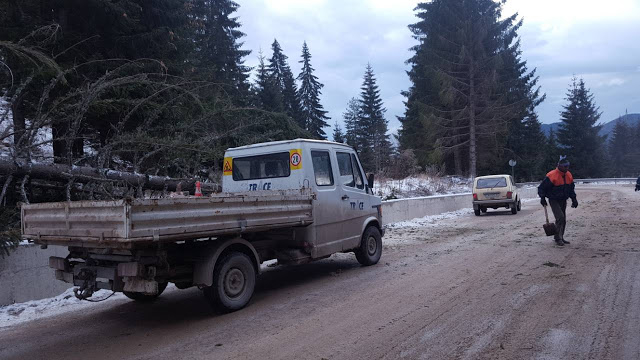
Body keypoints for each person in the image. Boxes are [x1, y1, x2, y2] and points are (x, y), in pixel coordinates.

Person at [538, 156, 578, 246]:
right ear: (559, 166)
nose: (567, 168)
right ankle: (557, 238)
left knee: (563, 219)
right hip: (553, 199)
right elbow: (541, 188)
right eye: (565, 166)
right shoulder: (552, 175)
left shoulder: (569, 175)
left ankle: (561, 236)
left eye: (568, 166)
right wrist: (542, 198)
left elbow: (571, 189)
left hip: (563, 199)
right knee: (560, 217)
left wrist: (574, 199)